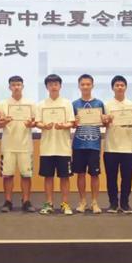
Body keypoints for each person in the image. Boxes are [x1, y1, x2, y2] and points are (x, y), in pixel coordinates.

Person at [36, 74, 75, 215]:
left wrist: (64, 126)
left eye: (56, 84)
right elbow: (37, 122)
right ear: (46, 87)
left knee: (65, 177)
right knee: (48, 177)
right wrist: (44, 126)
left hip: (63, 148)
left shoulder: (67, 103)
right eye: (50, 84)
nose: (53, 86)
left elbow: (72, 122)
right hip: (47, 148)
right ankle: (49, 203)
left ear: (60, 86)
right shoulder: (41, 104)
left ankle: (65, 204)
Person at [0, 76, 37, 213]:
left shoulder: (30, 104)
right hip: (8, 145)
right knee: (7, 175)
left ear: (23, 86)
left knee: (26, 175)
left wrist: (31, 124)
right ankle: (8, 201)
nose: (16, 87)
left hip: (25, 145)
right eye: (13, 85)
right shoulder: (3, 104)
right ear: (9, 87)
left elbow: (35, 122)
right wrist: (4, 122)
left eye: (18, 84)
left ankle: (26, 201)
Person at [104, 75, 132, 214]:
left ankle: (125, 203)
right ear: (112, 88)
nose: (119, 87)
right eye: (117, 85)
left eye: (122, 85)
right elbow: (103, 124)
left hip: (128, 148)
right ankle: (113, 203)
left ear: (126, 87)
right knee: (111, 178)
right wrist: (106, 120)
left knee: (127, 178)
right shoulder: (107, 105)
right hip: (110, 147)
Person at [71, 74, 105, 214]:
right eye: (83, 84)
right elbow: (71, 124)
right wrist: (74, 122)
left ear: (92, 85)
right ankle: (83, 201)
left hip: (94, 145)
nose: (85, 87)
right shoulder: (74, 104)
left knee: (94, 175)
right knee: (80, 174)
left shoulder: (99, 104)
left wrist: (105, 119)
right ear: (79, 86)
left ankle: (94, 202)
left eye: (88, 84)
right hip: (78, 145)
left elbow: (104, 123)